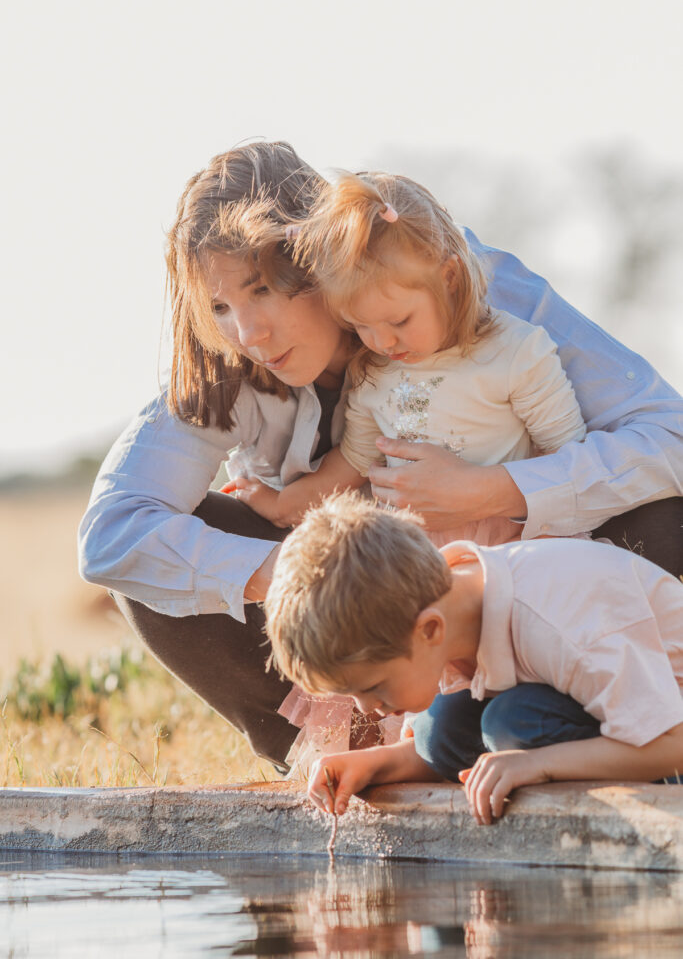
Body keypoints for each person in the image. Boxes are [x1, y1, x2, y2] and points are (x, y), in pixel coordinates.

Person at [78, 140, 683, 775]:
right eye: (221, 306)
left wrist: (497, 488)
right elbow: (111, 535)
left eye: (262, 290)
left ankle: (619, 728)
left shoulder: (453, 281)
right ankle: (345, 757)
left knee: (661, 510)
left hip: (529, 591)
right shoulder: (227, 362)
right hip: (373, 632)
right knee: (159, 573)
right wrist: (310, 574)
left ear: (319, 259)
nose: (248, 333)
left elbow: (669, 436)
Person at [265, 492, 683, 825]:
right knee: (437, 730)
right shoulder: (443, 605)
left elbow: (673, 743)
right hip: (609, 720)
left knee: (512, 723)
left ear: (429, 630)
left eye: (372, 686)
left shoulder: (563, 620)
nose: (366, 709)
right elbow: (444, 746)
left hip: (667, 739)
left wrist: (539, 765)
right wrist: (373, 763)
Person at [232, 171, 586, 549]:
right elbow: (353, 465)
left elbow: (569, 459)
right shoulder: (373, 372)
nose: (381, 341)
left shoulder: (515, 353)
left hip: (509, 547)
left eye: (399, 320)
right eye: (360, 325)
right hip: (406, 557)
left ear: (449, 277)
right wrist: (282, 506)